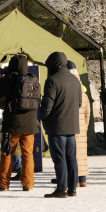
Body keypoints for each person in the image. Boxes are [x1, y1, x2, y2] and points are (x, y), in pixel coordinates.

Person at [0, 54, 39, 191]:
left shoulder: (9, 79)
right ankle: (28, 184)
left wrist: (1, 79)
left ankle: (4, 183)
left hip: (12, 123)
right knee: (28, 154)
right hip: (30, 123)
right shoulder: (32, 79)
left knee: (7, 153)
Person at [41, 52, 81, 198]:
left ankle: (61, 188)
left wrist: (43, 117)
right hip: (72, 125)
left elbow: (47, 105)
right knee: (71, 158)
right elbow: (79, 103)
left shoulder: (52, 80)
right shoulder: (75, 80)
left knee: (59, 158)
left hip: (57, 126)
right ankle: (72, 188)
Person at [67, 62, 91, 189]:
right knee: (81, 155)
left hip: (70, 126)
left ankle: (73, 179)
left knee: (72, 155)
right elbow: (88, 113)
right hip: (82, 128)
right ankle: (83, 180)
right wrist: (85, 127)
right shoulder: (84, 92)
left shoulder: (68, 88)